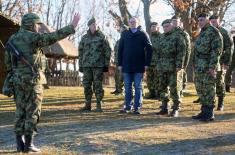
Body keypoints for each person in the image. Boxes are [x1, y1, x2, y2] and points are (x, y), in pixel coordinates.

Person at [4, 12, 80, 153]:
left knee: (20, 111)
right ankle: (29, 144)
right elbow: (53, 37)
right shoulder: (33, 38)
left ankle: (18, 143)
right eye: (37, 24)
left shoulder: (12, 39)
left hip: (17, 81)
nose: (39, 27)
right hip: (33, 82)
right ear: (31, 24)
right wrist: (72, 26)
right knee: (33, 112)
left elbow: (8, 63)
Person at [118, 17, 152, 114]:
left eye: (134, 22)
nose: (132, 23)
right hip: (126, 65)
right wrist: (120, 64)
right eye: (131, 22)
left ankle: (137, 107)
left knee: (138, 87)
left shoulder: (143, 34)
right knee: (127, 87)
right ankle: (128, 107)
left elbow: (150, 49)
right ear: (128, 23)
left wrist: (147, 64)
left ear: (138, 23)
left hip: (139, 66)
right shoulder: (124, 34)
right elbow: (120, 50)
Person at [192, 13, 223, 121]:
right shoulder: (202, 33)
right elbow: (196, 50)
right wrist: (194, 63)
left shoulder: (214, 32)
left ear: (208, 21)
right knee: (201, 89)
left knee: (209, 89)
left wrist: (212, 67)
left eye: (202, 20)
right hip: (200, 66)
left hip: (209, 65)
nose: (200, 22)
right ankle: (204, 111)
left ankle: (210, 113)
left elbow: (216, 51)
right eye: (199, 20)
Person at [79, 17, 111, 112]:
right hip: (86, 65)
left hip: (98, 65)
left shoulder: (102, 37)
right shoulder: (84, 38)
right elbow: (80, 51)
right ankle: (87, 104)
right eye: (93, 25)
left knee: (98, 85)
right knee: (86, 85)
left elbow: (108, 51)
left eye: (96, 24)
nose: (95, 26)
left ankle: (98, 104)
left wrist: (106, 64)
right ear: (89, 26)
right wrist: (80, 65)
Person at [155, 19, 186, 117]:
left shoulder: (178, 36)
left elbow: (182, 52)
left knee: (175, 88)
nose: (165, 28)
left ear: (172, 26)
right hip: (162, 66)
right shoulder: (161, 37)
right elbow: (157, 52)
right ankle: (164, 107)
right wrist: (157, 64)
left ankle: (175, 108)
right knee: (162, 87)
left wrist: (179, 65)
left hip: (173, 66)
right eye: (163, 26)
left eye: (167, 26)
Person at [209, 15, 234, 111]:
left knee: (219, 82)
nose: (213, 24)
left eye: (215, 22)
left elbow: (229, 49)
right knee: (209, 82)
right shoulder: (207, 32)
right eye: (211, 22)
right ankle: (208, 102)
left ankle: (220, 102)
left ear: (219, 22)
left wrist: (227, 62)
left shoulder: (224, 32)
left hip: (220, 62)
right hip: (209, 61)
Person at [171, 16, 191, 97]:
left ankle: (180, 94)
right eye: (173, 21)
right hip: (170, 61)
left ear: (180, 23)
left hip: (180, 61)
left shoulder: (183, 33)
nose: (175, 23)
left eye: (176, 21)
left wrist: (185, 63)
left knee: (179, 79)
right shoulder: (170, 32)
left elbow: (188, 49)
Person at [145, 22, 161, 100]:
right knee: (150, 79)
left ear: (158, 28)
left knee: (158, 79)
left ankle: (158, 94)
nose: (152, 28)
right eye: (151, 27)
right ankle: (151, 93)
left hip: (158, 62)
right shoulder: (149, 38)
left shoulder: (162, 37)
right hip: (149, 62)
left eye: (154, 26)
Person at [111, 25, 128, 95]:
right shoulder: (118, 41)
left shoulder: (128, 40)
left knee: (123, 77)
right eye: (121, 29)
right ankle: (118, 90)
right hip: (118, 62)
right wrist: (114, 61)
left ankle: (123, 91)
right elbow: (115, 52)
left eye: (123, 29)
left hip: (125, 62)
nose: (121, 31)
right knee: (117, 76)